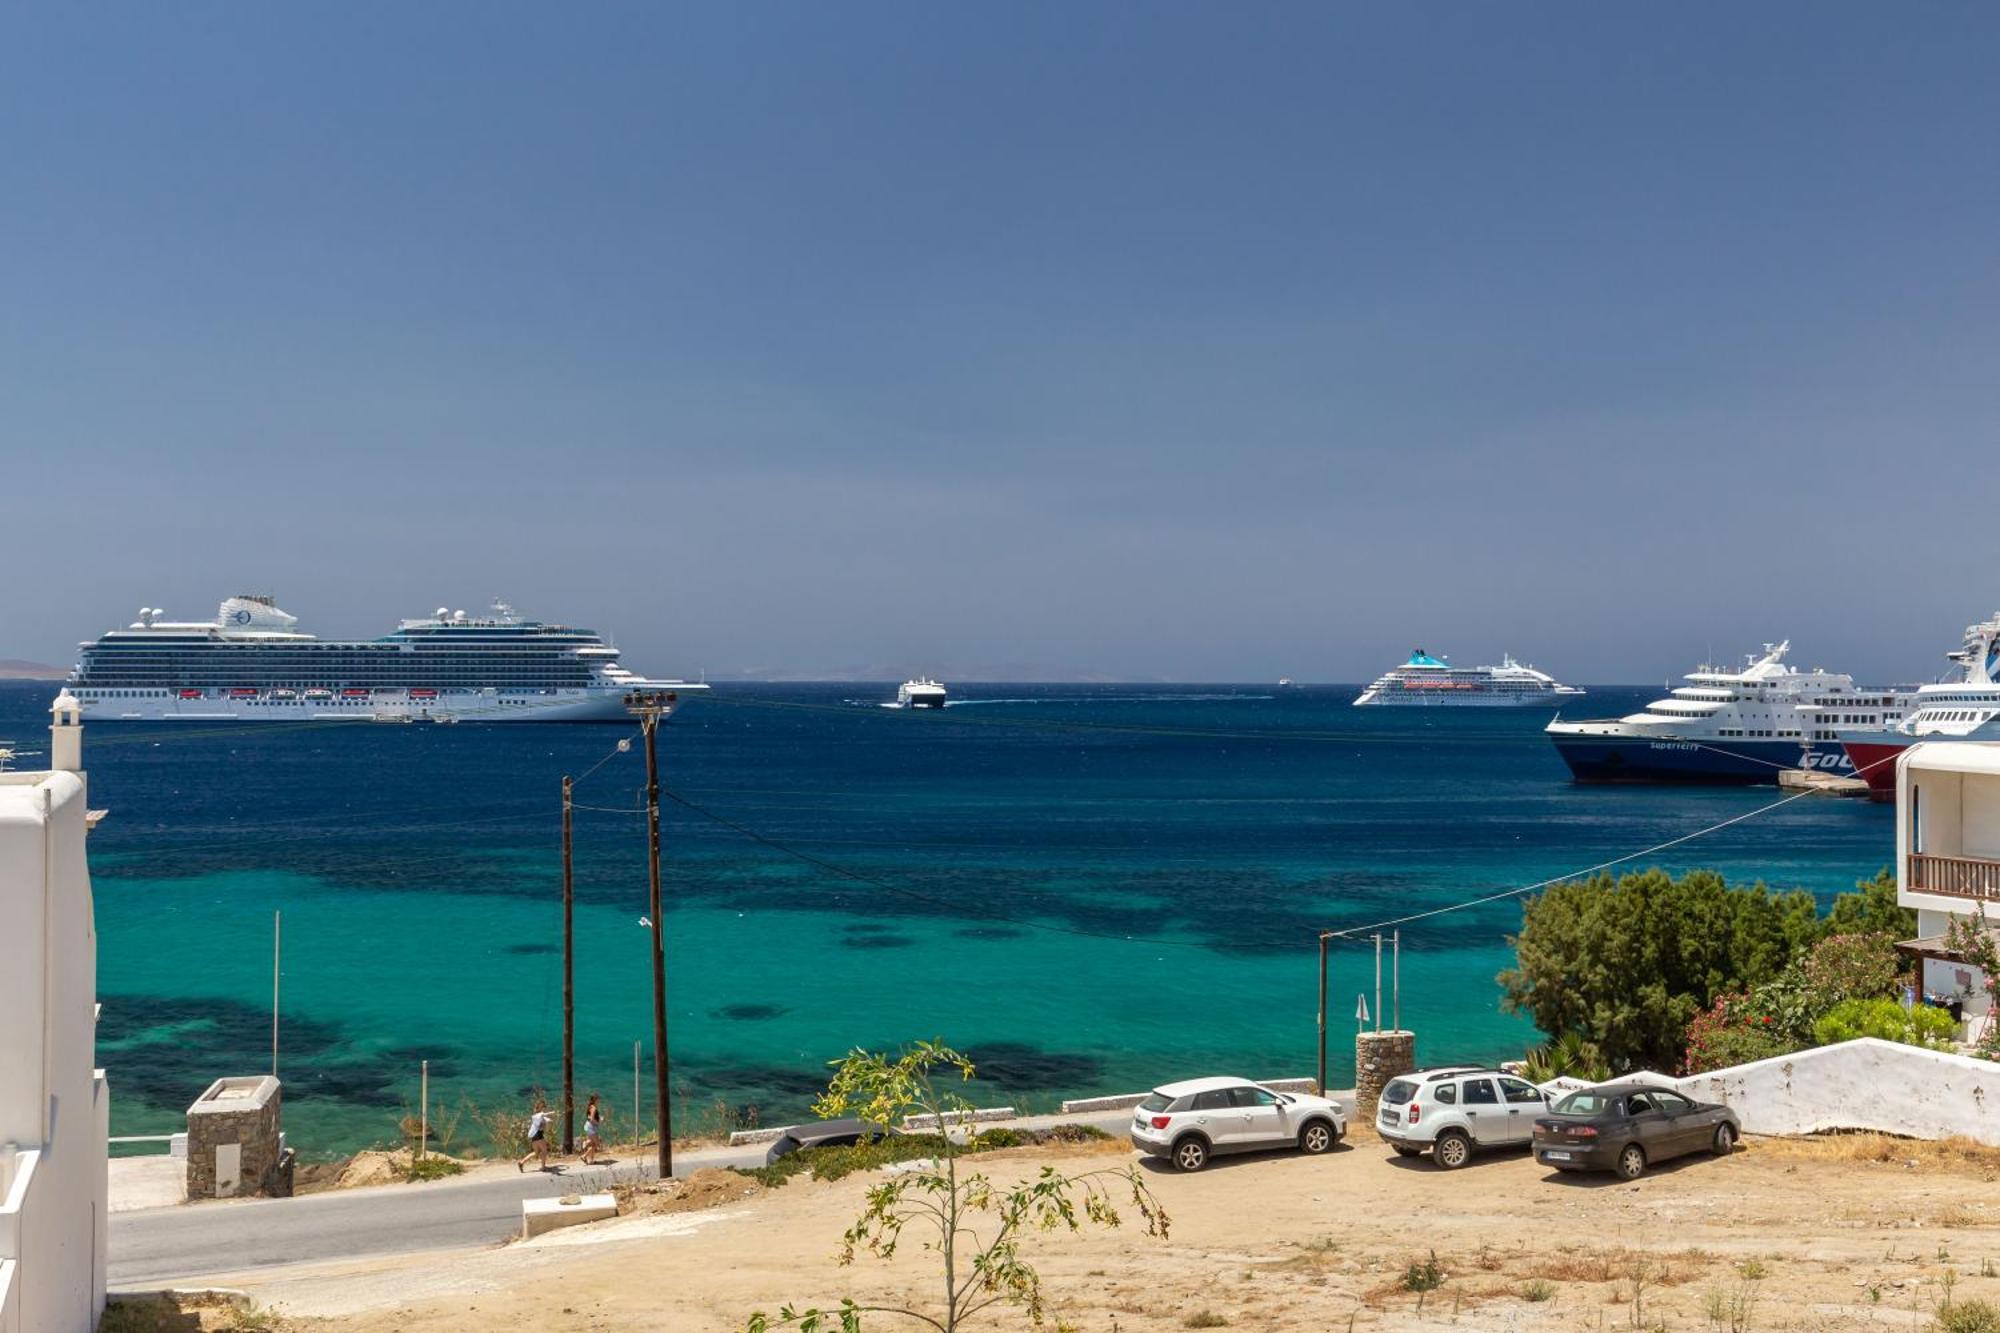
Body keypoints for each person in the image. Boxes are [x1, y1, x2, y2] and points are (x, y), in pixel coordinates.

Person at [517, 1102, 552, 1172]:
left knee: (536, 1152)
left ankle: (521, 1162)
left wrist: (548, 1121)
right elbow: (545, 1120)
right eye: (542, 1107)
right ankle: (543, 1167)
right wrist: (552, 1114)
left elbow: (547, 1120)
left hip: (534, 1137)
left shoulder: (537, 1117)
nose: (543, 1109)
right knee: (544, 1151)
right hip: (539, 1136)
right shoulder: (538, 1116)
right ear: (539, 1108)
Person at [580, 1094, 602, 1165]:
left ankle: (591, 1160)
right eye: (598, 1099)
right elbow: (592, 1119)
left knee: (592, 1144)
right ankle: (584, 1155)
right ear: (595, 1100)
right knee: (596, 1144)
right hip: (591, 1127)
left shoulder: (590, 1106)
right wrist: (598, 1122)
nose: (599, 1101)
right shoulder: (594, 1108)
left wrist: (598, 1119)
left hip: (589, 1126)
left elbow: (589, 1117)